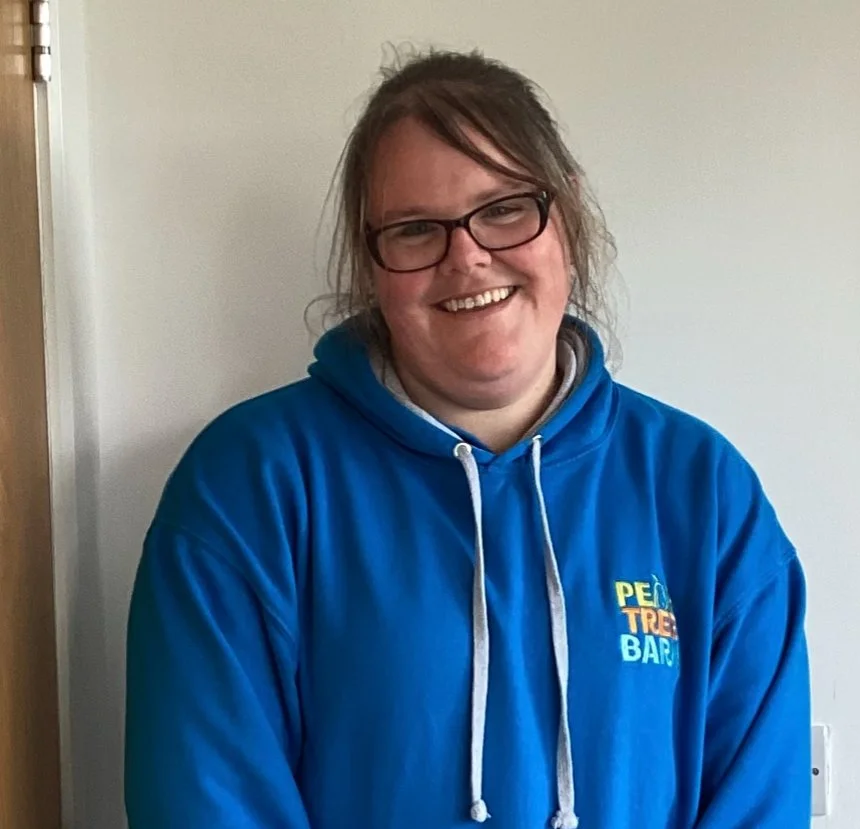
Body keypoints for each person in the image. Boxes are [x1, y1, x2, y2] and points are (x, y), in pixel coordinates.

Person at [124, 48, 811, 828]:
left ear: (565, 216)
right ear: (371, 262)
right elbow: (204, 799)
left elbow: (761, 801)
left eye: (504, 208)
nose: (467, 256)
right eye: (416, 229)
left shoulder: (704, 492)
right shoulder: (248, 486)